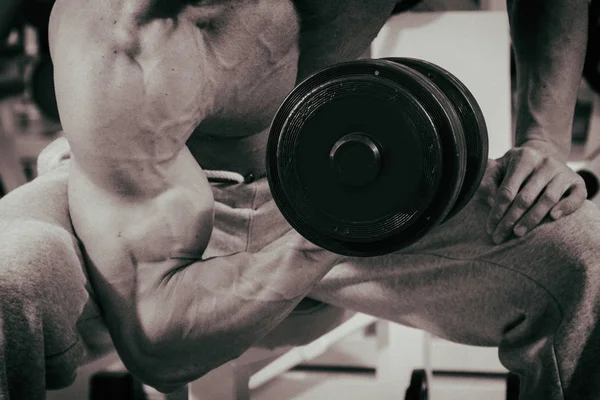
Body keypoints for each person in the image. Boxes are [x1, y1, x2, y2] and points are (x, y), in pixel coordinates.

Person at [0, 0, 596, 399]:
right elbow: (158, 337)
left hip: (351, 195)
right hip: (133, 208)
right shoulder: (122, 28)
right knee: (10, 277)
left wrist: (544, 140)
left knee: (584, 257)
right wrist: (338, 224)